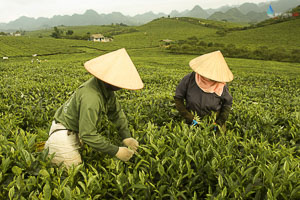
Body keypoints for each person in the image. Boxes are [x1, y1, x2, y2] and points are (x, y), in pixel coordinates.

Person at [44, 48, 144, 167]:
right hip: (63, 135)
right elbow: (88, 134)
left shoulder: (106, 90)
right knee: (71, 172)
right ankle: (50, 149)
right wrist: (116, 151)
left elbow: (116, 114)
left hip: (76, 132)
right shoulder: (91, 97)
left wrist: (126, 136)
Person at [174, 50, 233, 131]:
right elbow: (178, 98)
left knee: (217, 140)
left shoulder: (221, 84)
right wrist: (188, 116)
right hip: (192, 120)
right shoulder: (189, 79)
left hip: (213, 121)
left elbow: (227, 104)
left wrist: (220, 121)